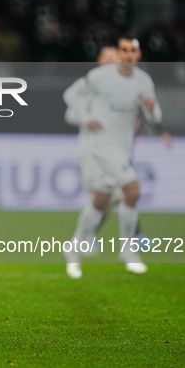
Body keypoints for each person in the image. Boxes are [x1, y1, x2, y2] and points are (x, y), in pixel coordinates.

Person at [62, 36, 163, 279]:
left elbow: (156, 118)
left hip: (122, 147)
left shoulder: (143, 81)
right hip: (98, 147)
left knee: (101, 199)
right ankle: (128, 251)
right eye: (123, 51)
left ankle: (75, 247)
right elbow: (70, 97)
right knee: (132, 190)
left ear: (138, 55)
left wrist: (151, 110)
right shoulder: (99, 79)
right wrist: (87, 119)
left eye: (132, 51)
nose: (127, 55)